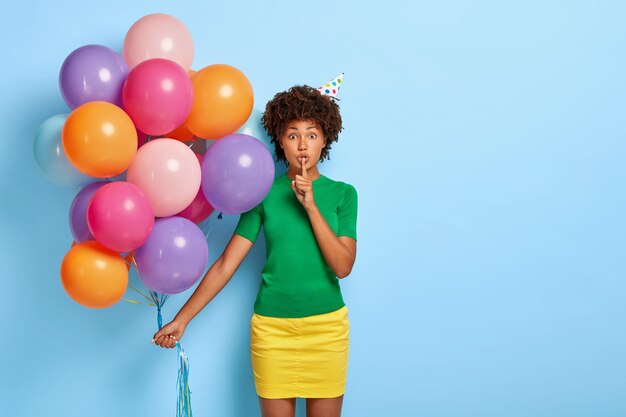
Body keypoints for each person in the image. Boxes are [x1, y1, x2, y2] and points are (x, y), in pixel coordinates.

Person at [152, 84, 358, 417]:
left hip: (327, 330)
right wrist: (182, 319)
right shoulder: (262, 193)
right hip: (272, 331)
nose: (302, 144)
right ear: (280, 140)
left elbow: (343, 265)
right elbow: (225, 265)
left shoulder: (343, 194)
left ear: (325, 138)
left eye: (311, 134)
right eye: (292, 135)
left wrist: (311, 208)